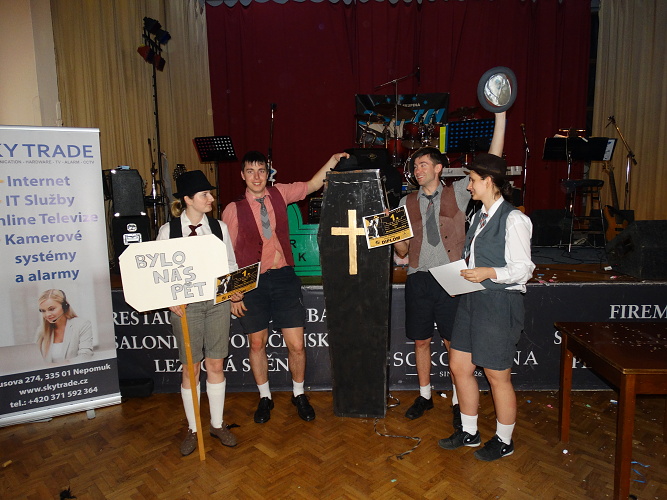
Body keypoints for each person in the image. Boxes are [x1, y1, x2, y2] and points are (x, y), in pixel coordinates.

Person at [394, 112, 506, 425]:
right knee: (420, 341)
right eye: (414, 167)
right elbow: (402, 252)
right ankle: (425, 396)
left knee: (453, 343)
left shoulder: (457, 192)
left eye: (423, 164)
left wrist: (500, 119)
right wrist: (396, 241)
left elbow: (490, 165)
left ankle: (459, 400)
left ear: (438, 168)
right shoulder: (404, 202)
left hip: (452, 279)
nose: (417, 170)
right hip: (418, 278)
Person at [222, 150, 349, 424]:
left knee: (297, 344)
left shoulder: (280, 193)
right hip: (251, 283)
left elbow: (313, 185)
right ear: (242, 175)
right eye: (250, 171)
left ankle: (299, 394)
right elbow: (226, 254)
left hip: (284, 278)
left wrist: (332, 161)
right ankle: (265, 397)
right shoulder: (233, 209)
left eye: (261, 171)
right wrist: (233, 293)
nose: (257, 177)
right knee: (257, 343)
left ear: (268, 173)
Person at [437, 150, 535, 461]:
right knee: (459, 367)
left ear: (489, 181)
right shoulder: (479, 217)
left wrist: (488, 273)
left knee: (496, 375)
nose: (469, 186)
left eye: (473, 180)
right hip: (472, 299)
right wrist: (463, 277)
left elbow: (524, 270)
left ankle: (504, 441)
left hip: (498, 303)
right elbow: (475, 260)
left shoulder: (515, 219)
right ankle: (469, 431)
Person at [156, 169, 240, 456]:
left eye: (210, 194)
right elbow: (159, 273)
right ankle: (193, 429)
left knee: (216, 364)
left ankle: (217, 424)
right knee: (190, 368)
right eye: (205, 194)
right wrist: (169, 299)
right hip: (186, 308)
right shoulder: (168, 231)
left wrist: (233, 289)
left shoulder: (219, 228)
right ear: (188, 199)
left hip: (216, 304)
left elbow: (230, 264)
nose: (211, 199)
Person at [36, 289, 93, 363]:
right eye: (43, 311)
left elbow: (85, 356)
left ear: (64, 307)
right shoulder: (41, 331)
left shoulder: (82, 325)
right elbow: (36, 360)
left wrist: (60, 365)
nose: (47, 314)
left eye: (51, 309)